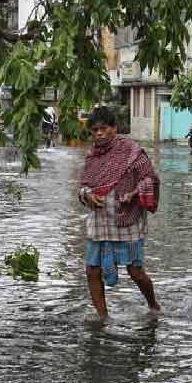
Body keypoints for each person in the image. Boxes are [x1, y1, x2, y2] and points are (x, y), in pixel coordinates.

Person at [78, 106, 161, 319]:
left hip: (128, 221)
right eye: (95, 130)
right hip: (100, 221)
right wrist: (88, 195)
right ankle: (103, 317)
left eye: (103, 128)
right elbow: (84, 187)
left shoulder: (132, 152)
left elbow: (150, 179)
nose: (99, 133)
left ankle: (153, 306)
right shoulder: (91, 157)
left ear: (114, 128)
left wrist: (134, 192)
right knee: (92, 270)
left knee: (135, 272)